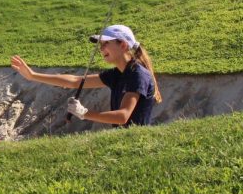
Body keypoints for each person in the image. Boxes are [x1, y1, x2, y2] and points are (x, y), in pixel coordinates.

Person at [10, 24, 162, 127]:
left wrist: (85, 113)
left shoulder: (137, 74)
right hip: (125, 138)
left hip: (135, 140)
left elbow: (122, 117)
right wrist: (33, 75)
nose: (101, 49)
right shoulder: (117, 73)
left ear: (123, 45)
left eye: (105, 44)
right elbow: (75, 81)